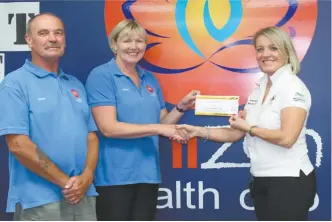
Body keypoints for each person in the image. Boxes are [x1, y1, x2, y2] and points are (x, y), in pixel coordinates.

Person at [176, 26, 316, 221]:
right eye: (260, 49)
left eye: (273, 48)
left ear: (286, 50)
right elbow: (235, 133)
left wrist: (249, 127)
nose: (265, 54)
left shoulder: (293, 87)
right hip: (261, 178)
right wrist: (196, 131)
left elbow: (287, 138)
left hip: (289, 180)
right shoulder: (258, 90)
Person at [85, 19, 198, 221]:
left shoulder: (150, 79)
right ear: (114, 44)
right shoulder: (102, 76)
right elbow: (108, 128)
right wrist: (158, 129)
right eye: (127, 41)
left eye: (139, 41)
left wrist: (181, 107)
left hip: (148, 173)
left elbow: (163, 124)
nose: (134, 46)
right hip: (114, 176)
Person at [0, 13, 99, 220]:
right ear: (29, 40)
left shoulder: (75, 84)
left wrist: (87, 176)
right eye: (43, 33)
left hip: (83, 195)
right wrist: (65, 182)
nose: (52, 38)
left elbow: (91, 136)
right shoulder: (15, 83)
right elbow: (18, 144)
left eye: (58, 33)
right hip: (39, 200)